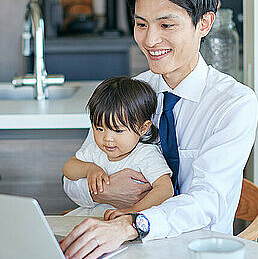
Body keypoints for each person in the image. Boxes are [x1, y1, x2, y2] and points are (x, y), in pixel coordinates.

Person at [60, 0, 258, 259]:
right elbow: (73, 180)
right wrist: (104, 191)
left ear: (204, 24)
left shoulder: (233, 103)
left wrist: (132, 223)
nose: (150, 40)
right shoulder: (130, 93)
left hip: (196, 254)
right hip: (122, 251)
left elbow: (207, 201)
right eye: (141, 24)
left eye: (166, 25)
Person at [62, 76, 174, 220]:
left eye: (118, 131)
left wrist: (133, 211)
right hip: (92, 217)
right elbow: (68, 168)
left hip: (123, 223)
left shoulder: (145, 154)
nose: (107, 138)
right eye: (99, 128)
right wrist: (88, 169)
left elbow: (165, 190)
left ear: (143, 128)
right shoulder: (95, 150)